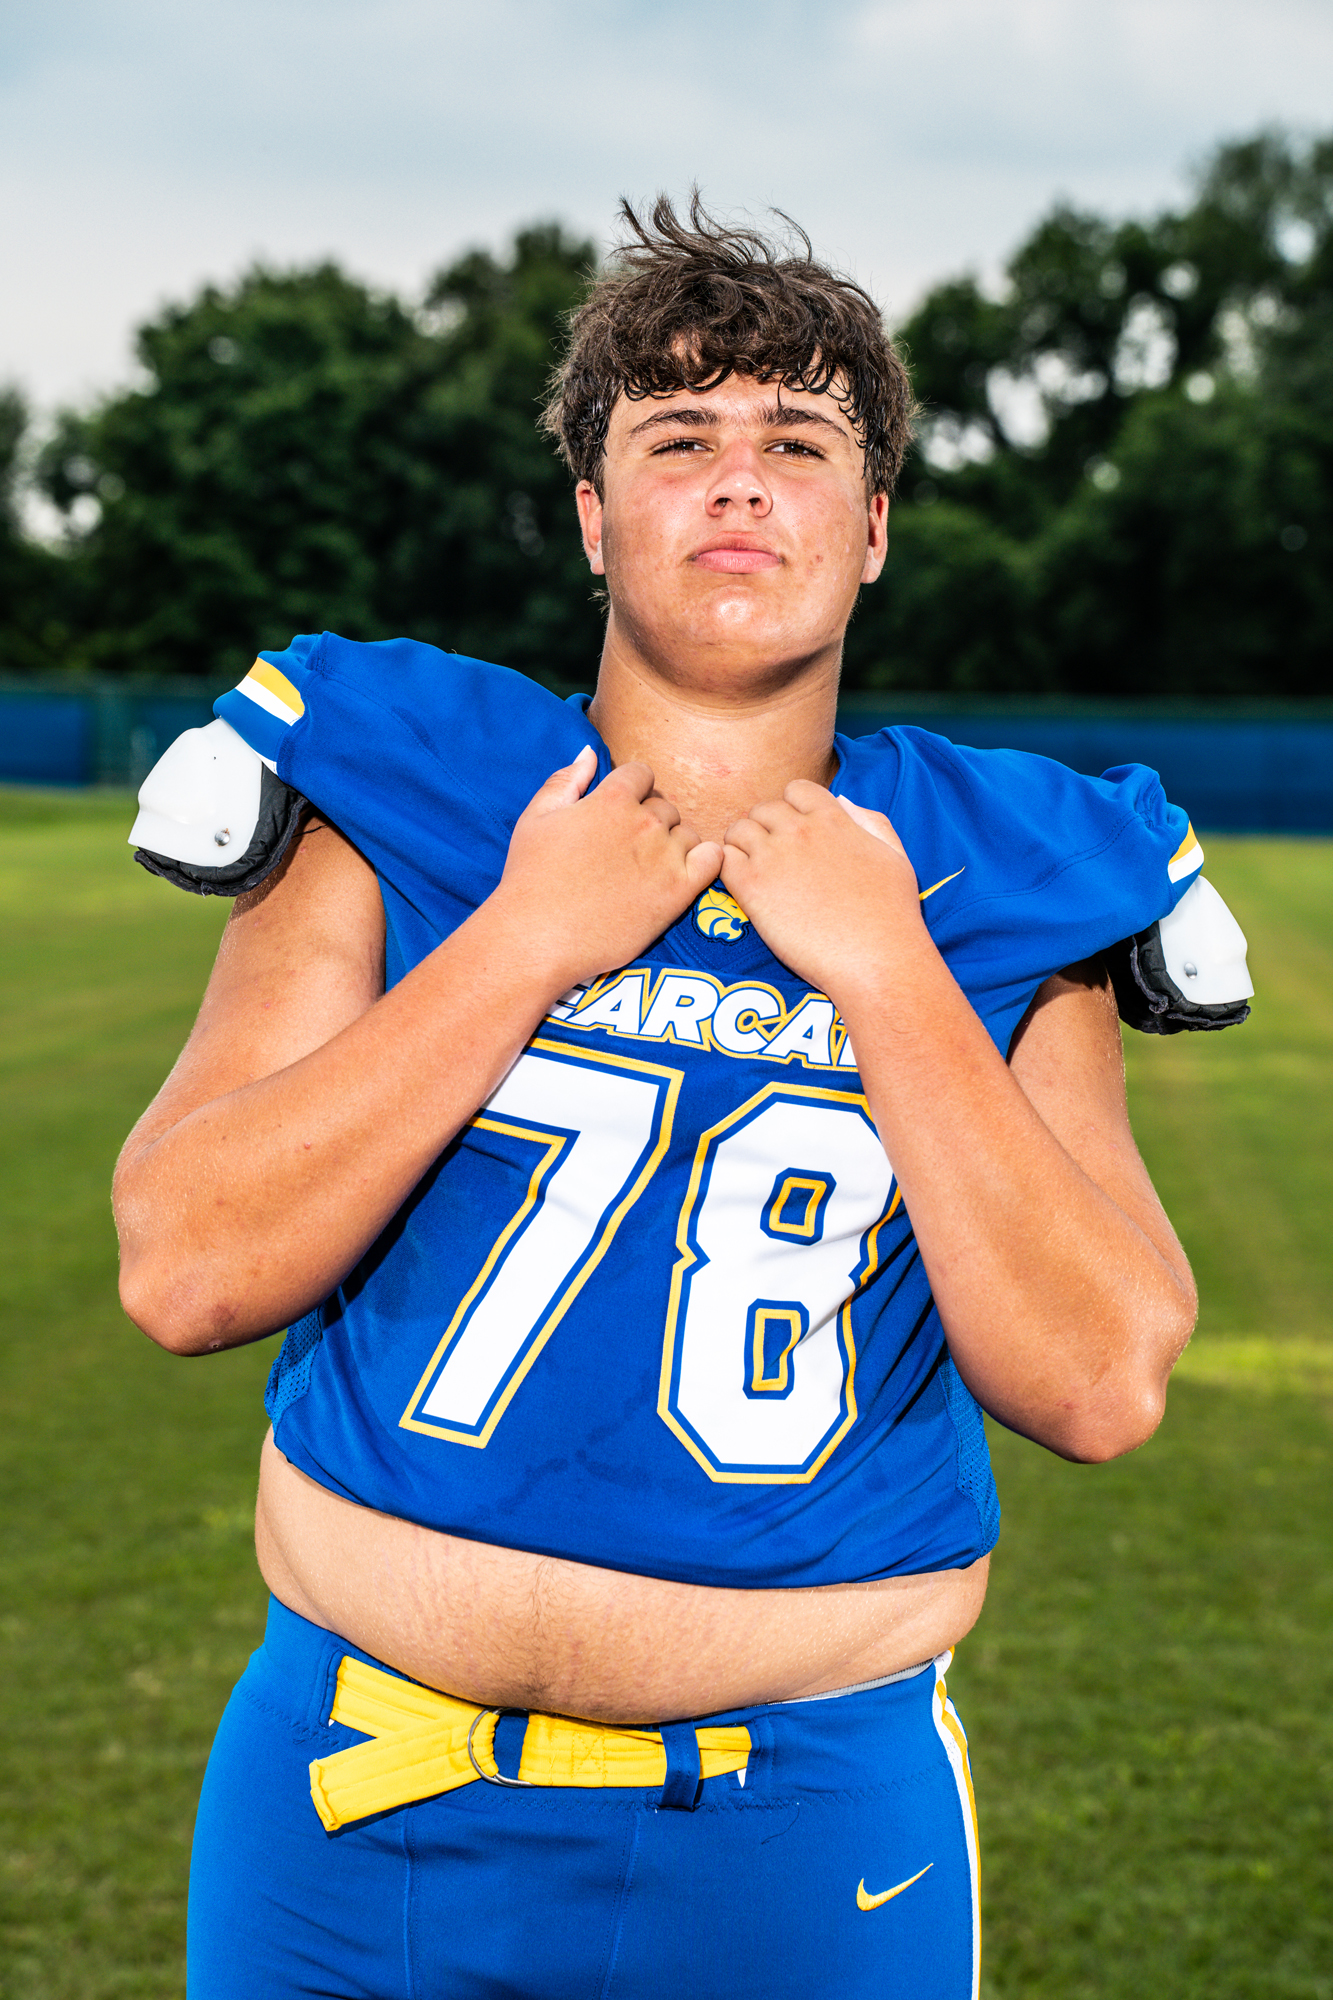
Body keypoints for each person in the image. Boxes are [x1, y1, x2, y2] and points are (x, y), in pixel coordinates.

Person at [114, 199, 1248, 2000]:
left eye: (797, 443)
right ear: (592, 516)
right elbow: (186, 1269)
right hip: (349, 1808)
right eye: (676, 438)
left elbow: (1099, 1381)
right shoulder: (402, 791)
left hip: (801, 1835)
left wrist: (888, 970)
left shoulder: (995, 878)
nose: (739, 481)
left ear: (870, 527)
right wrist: (526, 936)